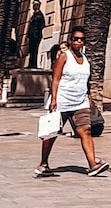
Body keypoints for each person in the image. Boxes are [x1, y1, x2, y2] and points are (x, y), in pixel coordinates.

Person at [37, 27, 107, 177]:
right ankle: (43, 164)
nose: (79, 41)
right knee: (52, 133)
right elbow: (55, 79)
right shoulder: (64, 56)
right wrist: (54, 99)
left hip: (80, 102)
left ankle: (92, 165)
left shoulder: (85, 59)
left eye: (82, 39)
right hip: (62, 101)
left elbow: (86, 81)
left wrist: (89, 96)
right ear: (70, 41)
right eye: (76, 39)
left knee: (85, 131)